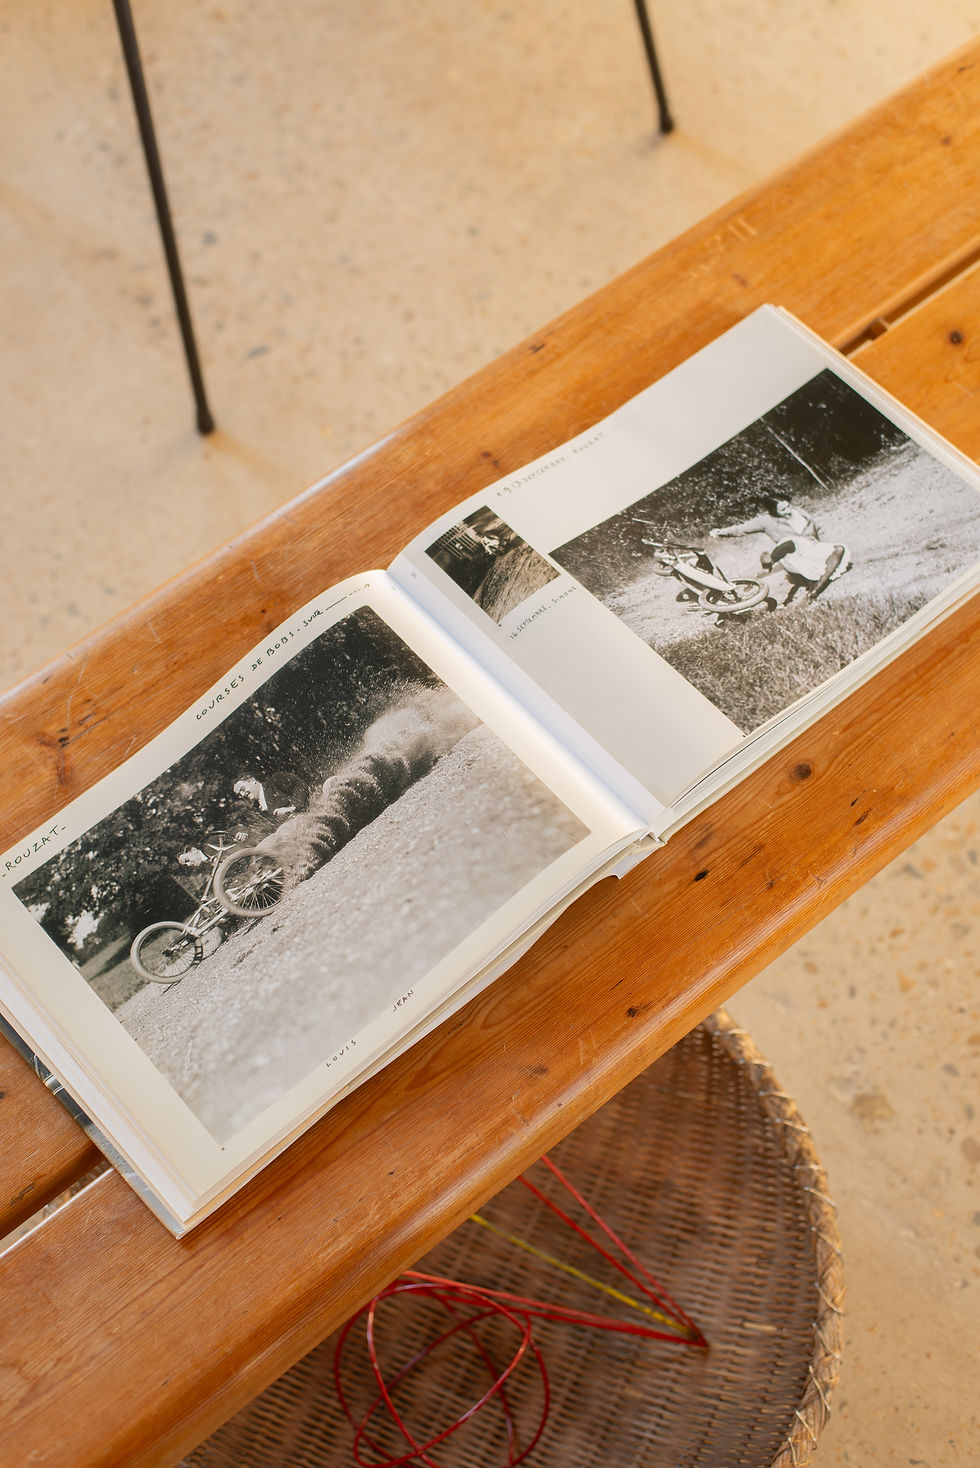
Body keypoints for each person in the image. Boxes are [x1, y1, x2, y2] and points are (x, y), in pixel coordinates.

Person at [710, 498, 849, 603]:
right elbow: (740, 529)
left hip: (811, 549)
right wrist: (721, 532)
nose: (788, 510)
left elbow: (816, 530)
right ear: (774, 512)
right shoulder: (766, 520)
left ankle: (817, 587)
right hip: (792, 554)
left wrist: (823, 546)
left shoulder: (799, 512)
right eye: (783, 510)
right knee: (791, 541)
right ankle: (771, 559)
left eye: (788, 506)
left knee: (840, 549)